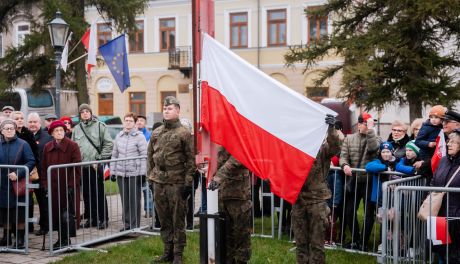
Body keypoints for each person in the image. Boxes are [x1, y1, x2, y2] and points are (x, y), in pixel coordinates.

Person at [147, 96, 196, 264]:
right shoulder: (157, 132)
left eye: (170, 109)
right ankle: (167, 250)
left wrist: (188, 182)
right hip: (159, 181)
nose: (166, 111)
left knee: (178, 219)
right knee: (164, 218)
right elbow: (150, 157)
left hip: (176, 182)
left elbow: (191, 160)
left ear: (177, 111)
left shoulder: (184, 133)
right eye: (165, 108)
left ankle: (178, 254)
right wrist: (150, 178)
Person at [290, 115, 340, 263]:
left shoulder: (321, 148)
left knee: (317, 244)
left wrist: (331, 129)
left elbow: (335, 146)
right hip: (298, 199)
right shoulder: (294, 148)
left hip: (316, 201)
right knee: (300, 243)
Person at [339, 112, 380, 250]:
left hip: (369, 182)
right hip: (353, 181)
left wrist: (370, 131)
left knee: (369, 213)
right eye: (366, 123)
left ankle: (363, 242)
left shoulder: (375, 138)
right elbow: (343, 156)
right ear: (359, 124)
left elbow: (374, 148)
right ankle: (355, 239)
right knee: (349, 211)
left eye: (370, 123)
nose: (368, 126)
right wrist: (344, 166)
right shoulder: (349, 138)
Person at [208, 146, 253, 264]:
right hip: (223, 194)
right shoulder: (221, 137)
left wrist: (217, 177)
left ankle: (241, 261)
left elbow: (237, 159)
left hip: (239, 195)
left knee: (241, 235)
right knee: (226, 235)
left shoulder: (241, 135)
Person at [41, 121, 82, 249]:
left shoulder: (73, 145)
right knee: (56, 214)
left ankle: (66, 239)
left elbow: (76, 167)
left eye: (61, 130)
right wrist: (45, 184)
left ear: (65, 132)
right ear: (52, 133)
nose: (59, 133)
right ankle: (61, 239)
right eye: (56, 131)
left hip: (67, 186)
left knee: (67, 214)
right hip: (53, 187)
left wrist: (72, 184)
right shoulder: (47, 146)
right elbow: (44, 167)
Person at [72, 104, 113, 230]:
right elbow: (74, 146)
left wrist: (100, 159)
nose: (85, 113)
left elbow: (109, 144)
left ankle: (103, 219)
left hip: (95, 166)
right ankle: (91, 218)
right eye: (82, 112)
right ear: (80, 114)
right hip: (82, 166)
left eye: (87, 111)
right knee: (87, 194)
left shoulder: (100, 126)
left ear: (90, 113)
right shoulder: (76, 129)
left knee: (98, 193)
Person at [0, 119, 35, 248]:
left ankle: (20, 239)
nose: (9, 130)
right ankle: (6, 237)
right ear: (1, 130)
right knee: (5, 211)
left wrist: (18, 173)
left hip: (18, 184)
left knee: (19, 212)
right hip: (2, 185)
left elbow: (31, 161)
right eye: (6, 128)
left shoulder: (23, 144)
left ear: (15, 130)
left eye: (11, 128)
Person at [110, 112, 147, 231]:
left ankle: (135, 225)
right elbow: (114, 155)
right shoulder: (119, 136)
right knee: (124, 200)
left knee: (134, 200)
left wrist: (142, 174)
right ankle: (126, 224)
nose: (128, 122)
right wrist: (113, 172)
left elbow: (144, 156)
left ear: (135, 122)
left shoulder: (139, 136)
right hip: (121, 173)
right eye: (126, 120)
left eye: (131, 120)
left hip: (134, 173)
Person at [431, 129, 460, 263]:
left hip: (456, 217)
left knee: (455, 254)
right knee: (441, 251)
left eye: (454, 142)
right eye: (449, 141)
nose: (449, 144)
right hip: (439, 216)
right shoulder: (443, 161)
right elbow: (433, 181)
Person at [365, 142, 396, 252]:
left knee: (392, 221)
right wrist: (384, 167)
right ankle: (382, 244)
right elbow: (368, 166)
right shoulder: (378, 161)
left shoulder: (397, 161)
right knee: (383, 220)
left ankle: (392, 243)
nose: (386, 154)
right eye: (383, 152)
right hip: (381, 198)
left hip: (394, 197)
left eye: (388, 151)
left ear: (392, 152)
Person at [12, 111, 39, 233]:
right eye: (17, 118)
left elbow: (35, 152)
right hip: (11, 171)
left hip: (26, 170)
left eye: (22, 118)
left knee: (27, 198)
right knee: (13, 200)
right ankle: (13, 227)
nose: (20, 120)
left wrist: (32, 166)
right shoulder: (9, 132)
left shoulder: (28, 134)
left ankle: (28, 226)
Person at [27, 112, 53, 236]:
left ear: (40, 123)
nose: (32, 124)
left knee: (42, 201)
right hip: (26, 174)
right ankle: (28, 225)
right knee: (27, 201)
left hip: (41, 175)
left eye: (35, 122)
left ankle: (45, 226)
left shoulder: (47, 137)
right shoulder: (24, 136)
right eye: (30, 122)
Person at [137, 115, 153, 219]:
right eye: (137, 120)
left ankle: (149, 210)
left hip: (146, 167)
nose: (139, 122)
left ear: (145, 123)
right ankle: (135, 212)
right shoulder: (133, 134)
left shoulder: (149, 135)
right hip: (135, 168)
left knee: (147, 190)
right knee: (135, 191)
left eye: (141, 120)